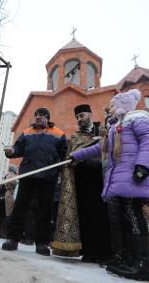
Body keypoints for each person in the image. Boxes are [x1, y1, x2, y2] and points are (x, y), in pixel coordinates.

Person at [72, 89, 149, 282]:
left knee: (134, 217)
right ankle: (130, 259)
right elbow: (99, 148)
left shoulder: (137, 118)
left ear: (122, 105)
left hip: (133, 176)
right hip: (120, 179)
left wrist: (143, 166)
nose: (108, 110)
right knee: (125, 219)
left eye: (112, 106)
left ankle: (143, 265)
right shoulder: (116, 127)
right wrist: (76, 156)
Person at [1, 107, 67, 256]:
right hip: (27, 176)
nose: (38, 117)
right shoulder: (26, 133)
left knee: (44, 211)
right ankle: (13, 239)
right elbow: (17, 149)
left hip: (48, 178)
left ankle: (42, 243)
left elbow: (64, 155)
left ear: (48, 118)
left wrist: (61, 172)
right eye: (36, 115)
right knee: (20, 208)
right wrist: (10, 151)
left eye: (42, 115)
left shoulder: (59, 134)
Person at [53, 104, 111, 263]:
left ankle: (105, 253)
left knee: (102, 215)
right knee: (85, 215)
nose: (79, 119)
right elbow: (69, 157)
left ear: (90, 114)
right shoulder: (75, 137)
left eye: (82, 115)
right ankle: (89, 252)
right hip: (83, 179)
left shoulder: (104, 131)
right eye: (77, 117)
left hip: (102, 178)